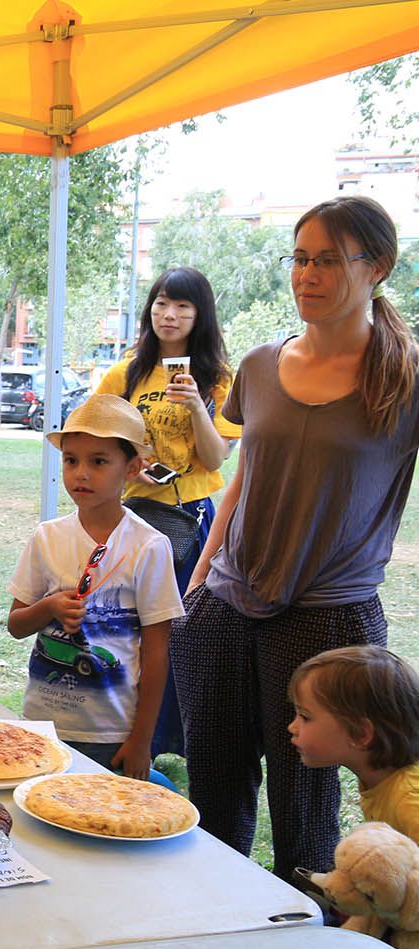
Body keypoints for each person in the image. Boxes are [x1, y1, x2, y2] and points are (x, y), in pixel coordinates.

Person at [174, 195, 419, 878]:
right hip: (226, 605)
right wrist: (199, 584)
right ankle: (212, 920)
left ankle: (305, 930)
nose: (307, 275)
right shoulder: (260, 365)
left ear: (377, 266)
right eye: (300, 258)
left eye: (328, 261)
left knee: (304, 814)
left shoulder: (404, 377)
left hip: (327, 617)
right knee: (211, 795)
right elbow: (245, 477)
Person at [95, 266, 238, 758]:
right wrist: (126, 462)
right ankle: (114, 731)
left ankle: (160, 741)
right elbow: (94, 436)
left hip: (187, 521)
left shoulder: (217, 378)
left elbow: (216, 458)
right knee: (121, 627)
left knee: (173, 633)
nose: (169, 315)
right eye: (161, 303)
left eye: (181, 306)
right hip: (130, 516)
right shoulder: (127, 372)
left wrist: (197, 405)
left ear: (200, 315)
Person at [7, 395, 184, 785]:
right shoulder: (47, 537)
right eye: (71, 460)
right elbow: (16, 625)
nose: (81, 474)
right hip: (43, 724)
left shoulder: (149, 546)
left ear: (133, 468)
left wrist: (141, 739)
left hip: (110, 730)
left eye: (99, 461)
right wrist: (49, 608)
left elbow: (156, 651)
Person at [289, 646, 419, 845]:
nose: (292, 727)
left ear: (361, 734)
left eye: (305, 717)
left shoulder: (409, 800)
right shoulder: (380, 779)